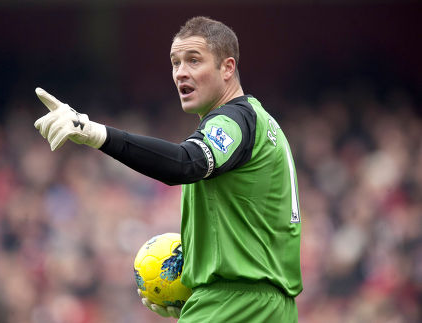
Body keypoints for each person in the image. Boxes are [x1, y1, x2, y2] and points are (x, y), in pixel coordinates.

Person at [34, 16, 302, 322]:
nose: (181, 73)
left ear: (227, 67)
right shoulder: (264, 123)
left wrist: (96, 133)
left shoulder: (235, 119)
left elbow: (186, 163)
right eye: (175, 63)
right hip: (272, 308)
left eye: (194, 60)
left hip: (236, 304)